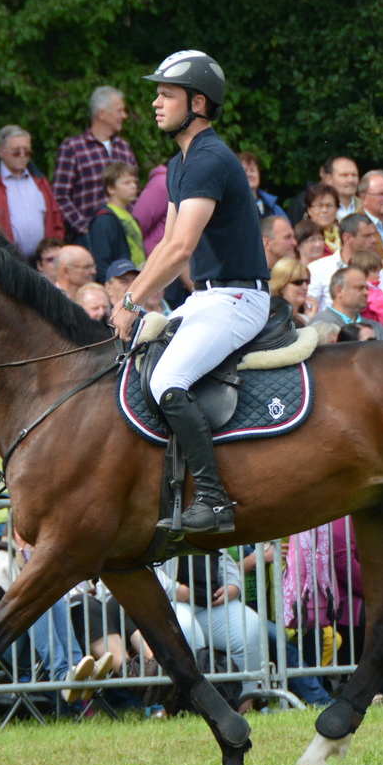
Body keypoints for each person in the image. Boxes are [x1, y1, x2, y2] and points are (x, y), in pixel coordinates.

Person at [101, 51, 269, 534]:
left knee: (166, 380)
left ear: (197, 102)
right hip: (211, 297)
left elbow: (180, 248)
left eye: (165, 94)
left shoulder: (210, 159)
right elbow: (164, 245)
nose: (155, 103)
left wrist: (132, 301)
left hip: (238, 299)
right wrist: (132, 298)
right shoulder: (181, 163)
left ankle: (215, 502)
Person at [0, 124, 62, 256]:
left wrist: (53, 251)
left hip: (42, 263)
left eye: (27, 151)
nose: (22, 155)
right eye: (16, 151)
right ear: (0, 152)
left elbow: (56, 220)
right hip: (3, 263)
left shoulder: (41, 181)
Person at [52, 86, 137, 237]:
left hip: (124, 236)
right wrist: (86, 229)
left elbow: (135, 192)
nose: (124, 116)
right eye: (119, 111)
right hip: (87, 241)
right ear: (102, 114)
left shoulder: (124, 148)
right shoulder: (73, 148)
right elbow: (60, 196)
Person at [85, 162, 146, 271]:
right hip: (120, 279)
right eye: (127, 183)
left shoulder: (131, 217)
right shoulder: (104, 219)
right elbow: (101, 259)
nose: (134, 186)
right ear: (111, 188)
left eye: (134, 182)